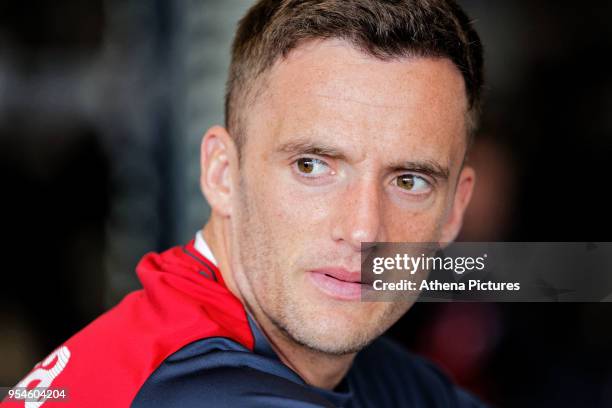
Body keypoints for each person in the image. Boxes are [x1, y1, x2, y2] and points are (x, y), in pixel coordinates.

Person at [4, 0, 486, 406]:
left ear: (453, 210)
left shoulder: (371, 371)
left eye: (410, 180)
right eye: (312, 166)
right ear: (221, 174)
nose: (364, 230)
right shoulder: (193, 387)